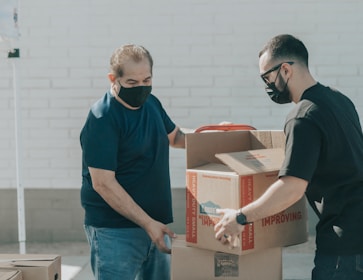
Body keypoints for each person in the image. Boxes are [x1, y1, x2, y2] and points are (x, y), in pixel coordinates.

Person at [214, 34, 363, 280]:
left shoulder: (302, 117)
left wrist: (240, 217)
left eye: (267, 77)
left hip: (343, 244)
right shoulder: (340, 100)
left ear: (285, 69)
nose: (267, 85)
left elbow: (292, 187)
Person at [80, 44, 185, 280]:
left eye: (147, 80)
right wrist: (148, 224)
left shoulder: (152, 104)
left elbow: (175, 137)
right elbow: (103, 183)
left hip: (157, 226)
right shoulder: (102, 118)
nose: (141, 88)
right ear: (113, 78)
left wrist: (214, 136)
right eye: (132, 83)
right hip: (115, 233)